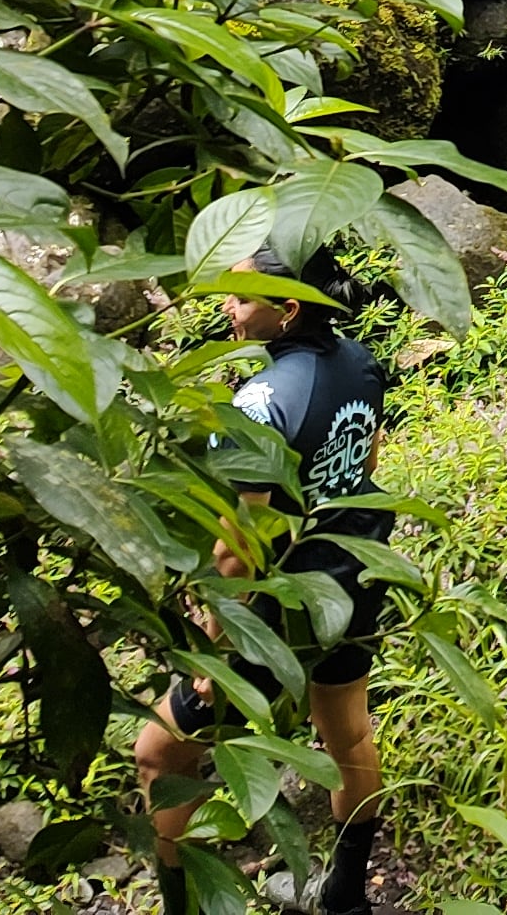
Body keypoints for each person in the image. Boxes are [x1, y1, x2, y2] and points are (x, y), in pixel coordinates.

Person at [133, 222, 391, 915]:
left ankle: (178, 900)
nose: (229, 306)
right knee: (350, 733)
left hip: (276, 601)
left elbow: (239, 544)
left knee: (160, 754)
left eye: (244, 296)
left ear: (290, 309)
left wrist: (218, 641)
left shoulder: (259, 402)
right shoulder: (363, 362)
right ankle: (344, 897)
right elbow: (366, 466)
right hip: (352, 576)